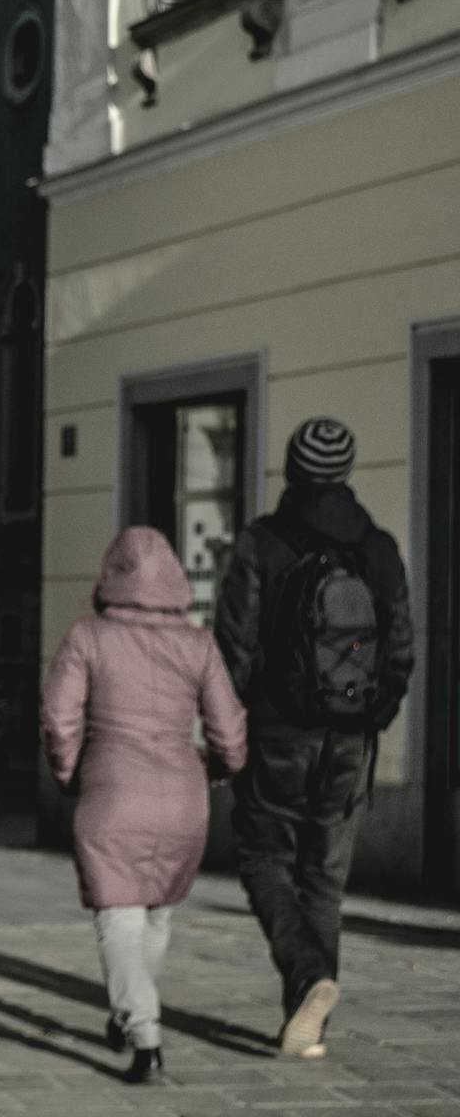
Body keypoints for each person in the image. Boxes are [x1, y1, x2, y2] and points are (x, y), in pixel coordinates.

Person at [215, 417, 413, 1059]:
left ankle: (307, 980)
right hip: (351, 737)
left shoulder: (262, 542)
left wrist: (233, 723)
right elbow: (401, 650)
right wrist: (371, 715)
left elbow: (234, 646)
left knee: (262, 859)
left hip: (278, 731)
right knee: (324, 880)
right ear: (345, 472)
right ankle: (309, 1028)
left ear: (293, 470)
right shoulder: (378, 549)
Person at [41, 526, 247, 1085]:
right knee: (157, 912)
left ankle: (145, 1036)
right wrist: (221, 769)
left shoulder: (88, 636)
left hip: (112, 792)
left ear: (111, 574)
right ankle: (131, 1011)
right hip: (184, 796)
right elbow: (229, 729)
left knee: (119, 917)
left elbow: (59, 718)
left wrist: (69, 773)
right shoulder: (199, 644)